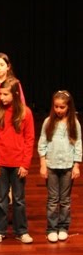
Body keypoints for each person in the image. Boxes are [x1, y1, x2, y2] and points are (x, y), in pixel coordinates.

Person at [0, 78, 35, 244]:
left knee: (19, 200)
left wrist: (25, 164)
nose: (2, 97)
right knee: (1, 199)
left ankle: (21, 231)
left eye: (5, 94)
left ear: (15, 94)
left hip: (18, 164)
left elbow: (29, 139)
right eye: (0, 94)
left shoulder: (26, 113)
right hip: (1, 163)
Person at [38, 90, 81, 243]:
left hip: (67, 166)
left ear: (68, 107)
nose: (59, 110)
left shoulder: (74, 123)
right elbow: (42, 143)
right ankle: (51, 228)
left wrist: (76, 165)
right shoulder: (48, 122)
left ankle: (63, 227)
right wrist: (43, 164)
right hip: (52, 165)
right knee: (52, 200)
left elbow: (78, 144)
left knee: (65, 200)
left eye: (62, 107)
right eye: (56, 106)